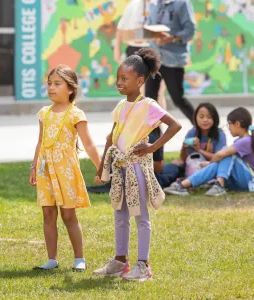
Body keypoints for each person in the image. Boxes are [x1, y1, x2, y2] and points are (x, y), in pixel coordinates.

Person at [93, 48, 182, 281]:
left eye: (125, 79)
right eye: (118, 78)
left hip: (137, 168)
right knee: (120, 214)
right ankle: (120, 261)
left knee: (140, 216)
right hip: (119, 167)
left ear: (140, 80)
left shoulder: (149, 105)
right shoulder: (121, 106)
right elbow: (111, 137)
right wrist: (103, 164)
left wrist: (153, 147)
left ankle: (144, 266)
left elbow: (174, 125)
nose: (119, 83)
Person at [29, 65, 101, 272]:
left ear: (70, 89)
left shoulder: (75, 114)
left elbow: (88, 144)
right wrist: (34, 166)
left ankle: (79, 258)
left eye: (57, 84)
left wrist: (100, 168)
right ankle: (52, 259)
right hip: (45, 171)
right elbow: (40, 142)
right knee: (48, 214)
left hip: (66, 171)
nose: (51, 88)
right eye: (49, 84)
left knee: (69, 216)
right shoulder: (44, 113)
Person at [164, 107, 254, 197]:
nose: (228, 128)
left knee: (225, 152)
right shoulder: (241, 141)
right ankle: (182, 186)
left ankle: (218, 184)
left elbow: (221, 154)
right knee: (222, 159)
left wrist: (208, 164)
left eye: (229, 124)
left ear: (237, 124)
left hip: (251, 181)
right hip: (242, 181)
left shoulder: (245, 141)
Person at [145, 0, 197, 124]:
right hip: (154, 59)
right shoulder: (154, 4)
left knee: (178, 99)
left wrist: (171, 38)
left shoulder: (182, 4)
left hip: (173, 60)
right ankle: (155, 140)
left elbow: (190, 31)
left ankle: (203, 129)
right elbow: (149, 27)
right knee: (150, 100)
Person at [115, 0, 167, 109]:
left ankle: (158, 123)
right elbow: (121, 28)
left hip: (153, 49)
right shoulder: (133, 5)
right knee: (137, 91)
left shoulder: (161, 5)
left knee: (157, 92)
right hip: (134, 48)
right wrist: (117, 50)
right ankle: (141, 122)